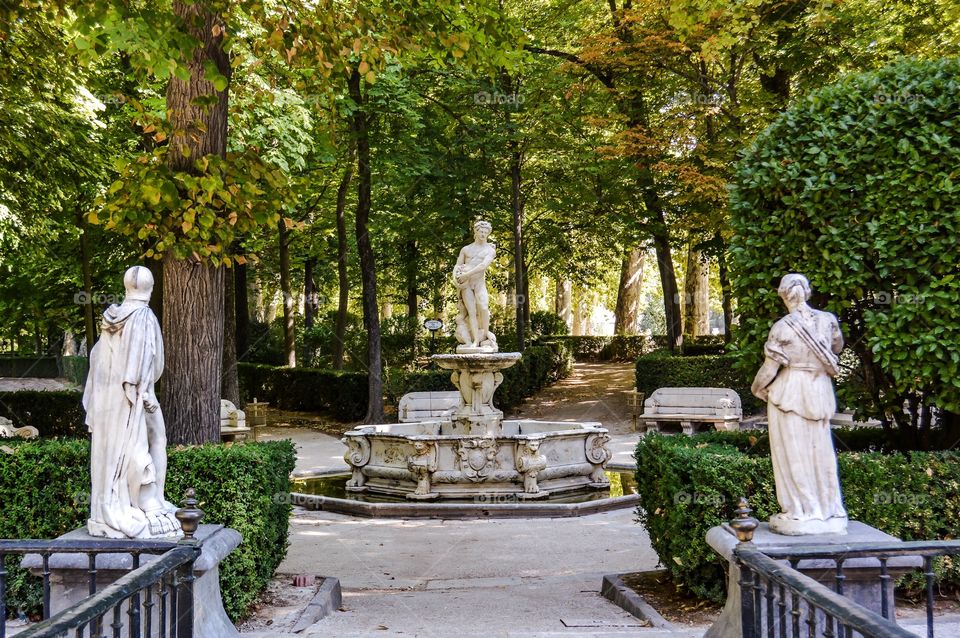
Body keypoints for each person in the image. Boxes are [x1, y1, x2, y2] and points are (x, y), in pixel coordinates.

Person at [83, 266, 180, 538]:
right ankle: (151, 503)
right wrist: (146, 391)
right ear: (151, 288)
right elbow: (147, 358)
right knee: (154, 439)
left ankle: (143, 501)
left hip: (110, 400)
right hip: (136, 394)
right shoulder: (144, 316)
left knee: (120, 448)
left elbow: (99, 362)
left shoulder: (110, 319)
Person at [751, 273, 848, 535]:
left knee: (794, 452)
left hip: (790, 392)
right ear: (807, 291)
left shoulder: (783, 327)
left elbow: (770, 369)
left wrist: (757, 388)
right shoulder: (828, 320)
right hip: (819, 390)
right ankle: (828, 510)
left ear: (783, 295)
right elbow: (837, 348)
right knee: (821, 451)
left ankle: (802, 510)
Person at [453, 220, 497, 350]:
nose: (483, 234)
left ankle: (485, 334)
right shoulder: (466, 249)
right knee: (471, 312)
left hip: (478, 283)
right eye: (481, 231)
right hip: (466, 285)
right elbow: (457, 265)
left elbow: (483, 265)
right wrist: (455, 278)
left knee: (483, 307)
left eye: (485, 232)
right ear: (476, 232)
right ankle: (475, 341)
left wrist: (466, 274)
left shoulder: (489, 250)